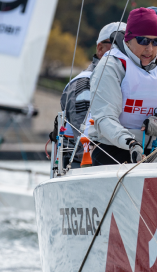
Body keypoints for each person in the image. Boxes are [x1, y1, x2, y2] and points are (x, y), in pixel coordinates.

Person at [89, 8, 157, 165]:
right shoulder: (111, 66)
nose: (149, 49)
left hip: (156, 150)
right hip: (113, 149)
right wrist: (130, 142)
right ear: (128, 40)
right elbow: (104, 118)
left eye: (156, 42)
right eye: (143, 41)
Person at [53, 22, 124, 167]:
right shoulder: (84, 84)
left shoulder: (126, 80)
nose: (124, 51)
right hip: (84, 168)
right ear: (100, 48)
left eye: (129, 45)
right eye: (118, 45)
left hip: (119, 165)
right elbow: (84, 140)